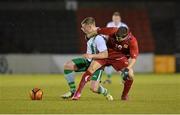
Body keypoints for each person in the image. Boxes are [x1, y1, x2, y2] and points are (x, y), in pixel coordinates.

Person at [72, 27, 139, 101]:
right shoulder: (112, 30)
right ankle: (77, 93)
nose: (117, 39)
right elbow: (97, 30)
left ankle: (124, 95)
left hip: (119, 57)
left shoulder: (132, 41)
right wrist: (89, 36)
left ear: (125, 36)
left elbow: (133, 58)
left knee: (130, 74)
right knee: (91, 68)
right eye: (116, 37)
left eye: (119, 38)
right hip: (105, 54)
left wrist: (127, 68)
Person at [61, 17, 113, 101]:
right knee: (68, 65)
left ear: (90, 27)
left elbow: (105, 54)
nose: (82, 29)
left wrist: (91, 55)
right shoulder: (90, 34)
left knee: (94, 88)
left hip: (97, 64)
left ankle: (105, 92)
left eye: (84, 27)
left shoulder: (99, 38)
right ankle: (73, 91)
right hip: (87, 61)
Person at [104, 11, 128, 84]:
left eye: (117, 18)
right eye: (114, 18)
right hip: (111, 47)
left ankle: (124, 79)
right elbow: (107, 35)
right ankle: (108, 79)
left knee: (122, 63)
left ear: (120, 18)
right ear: (112, 18)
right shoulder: (109, 24)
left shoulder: (124, 26)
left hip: (121, 48)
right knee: (108, 63)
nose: (116, 20)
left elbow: (127, 37)